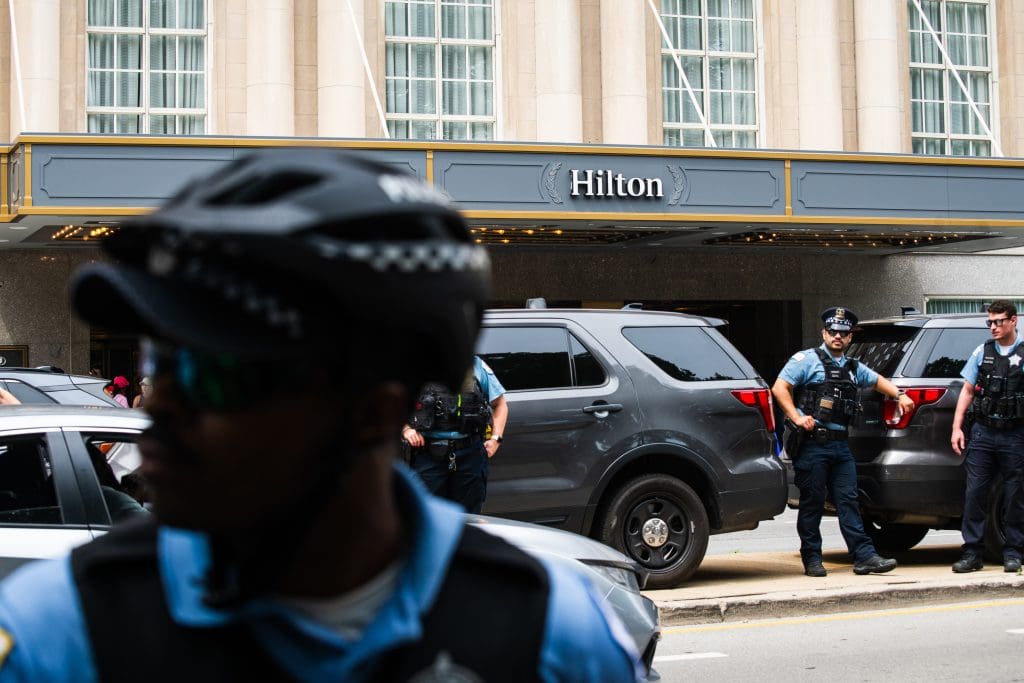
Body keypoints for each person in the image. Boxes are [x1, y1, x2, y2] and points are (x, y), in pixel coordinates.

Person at [0, 150, 641, 682]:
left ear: (372, 412)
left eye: (215, 372)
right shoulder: (58, 635)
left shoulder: (548, 641)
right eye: (159, 360)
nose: (159, 403)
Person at [772, 306, 915, 577]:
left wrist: (900, 395)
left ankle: (864, 557)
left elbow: (876, 381)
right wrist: (797, 417)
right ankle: (812, 559)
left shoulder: (852, 367)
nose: (838, 337)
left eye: (844, 333)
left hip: (840, 446)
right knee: (812, 503)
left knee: (849, 501)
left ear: (850, 337)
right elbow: (780, 388)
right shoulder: (806, 360)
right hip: (813, 444)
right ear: (824, 332)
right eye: (833, 331)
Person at [949, 300, 1024, 573]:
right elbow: (967, 391)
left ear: (1013, 321)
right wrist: (957, 428)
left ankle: (1014, 552)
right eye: (989, 322)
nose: (993, 327)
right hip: (983, 432)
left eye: (998, 321)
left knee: (1015, 493)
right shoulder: (983, 352)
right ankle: (972, 553)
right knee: (975, 493)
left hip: (1015, 433)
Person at [402, 356, 508, 513]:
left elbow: (500, 405)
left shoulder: (475, 364)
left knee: (470, 518)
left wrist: (496, 439)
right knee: (424, 515)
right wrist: (406, 429)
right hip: (428, 455)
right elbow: (393, 406)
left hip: (470, 454)